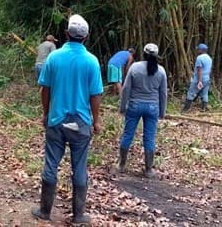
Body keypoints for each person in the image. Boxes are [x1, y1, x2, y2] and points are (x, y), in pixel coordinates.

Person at [31, 14, 103, 225]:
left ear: (66, 34)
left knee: (51, 164)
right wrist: (96, 121)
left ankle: (45, 211)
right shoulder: (91, 61)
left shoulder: (54, 58)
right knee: (79, 167)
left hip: (57, 120)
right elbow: (95, 94)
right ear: (87, 37)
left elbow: (45, 89)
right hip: (81, 123)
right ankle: (79, 215)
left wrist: (46, 114)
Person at [118, 43, 167, 178]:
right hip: (152, 107)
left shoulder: (135, 67)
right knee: (149, 138)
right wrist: (162, 111)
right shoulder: (161, 71)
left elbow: (126, 88)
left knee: (128, 134)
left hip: (134, 105)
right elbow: (163, 93)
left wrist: (122, 107)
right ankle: (148, 169)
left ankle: (121, 165)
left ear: (144, 54)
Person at [183, 43, 212, 111]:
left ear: (201, 50)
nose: (197, 51)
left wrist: (199, 81)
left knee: (191, 92)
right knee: (205, 93)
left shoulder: (200, 58)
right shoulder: (209, 58)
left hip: (199, 78)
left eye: (198, 49)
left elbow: (199, 70)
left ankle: (186, 109)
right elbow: (209, 69)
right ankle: (203, 108)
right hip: (207, 78)